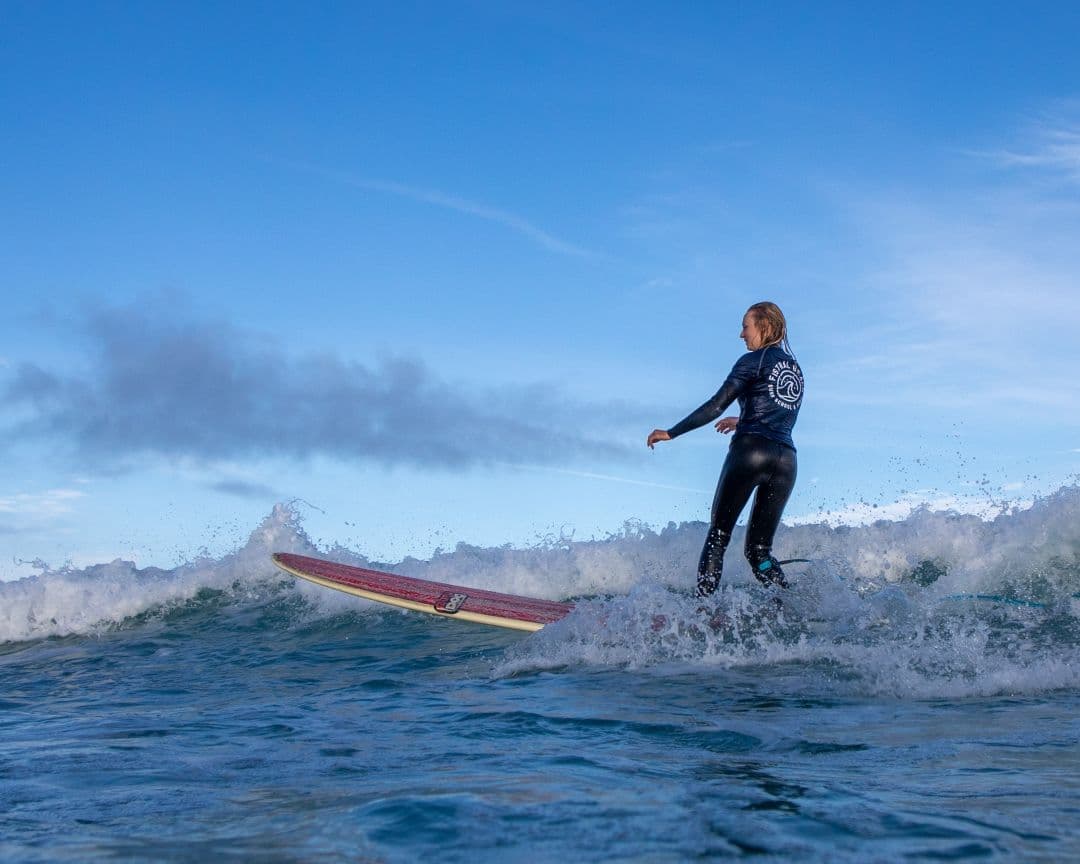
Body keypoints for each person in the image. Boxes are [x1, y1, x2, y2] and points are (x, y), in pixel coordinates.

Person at [647, 302, 804, 597]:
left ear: (765, 327)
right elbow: (778, 414)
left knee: (719, 535)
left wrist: (671, 432)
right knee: (759, 551)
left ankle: (703, 609)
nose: (741, 334)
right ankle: (788, 601)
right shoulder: (795, 370)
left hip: (751, 453)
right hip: (786, 461)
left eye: (746, 326)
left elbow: (715, 406)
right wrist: (743, 419)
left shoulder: (752, 361)